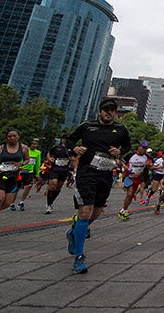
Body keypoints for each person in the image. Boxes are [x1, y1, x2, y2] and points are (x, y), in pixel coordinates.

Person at [65, 98, 131, 274]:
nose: (109, 112)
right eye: (106, 109)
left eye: (112, 110)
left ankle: (74, 233)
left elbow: (127, 146)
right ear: (100, 112)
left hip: (105, 173)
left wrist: (120, 152)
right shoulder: (87, 126)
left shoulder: (121, 129)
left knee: (97, 211)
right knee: (85, 210)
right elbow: (69, 140)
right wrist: (75, 149)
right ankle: (79, 256)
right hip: (87, 172)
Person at [0, 130, 31, 231]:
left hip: (12, 177)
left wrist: (21, 164)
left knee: (8, 202)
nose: (12, 138)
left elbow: (27, 159)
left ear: (18, 137)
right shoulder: (0, 149)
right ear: (6, 138)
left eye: (14, 136)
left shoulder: (24, 148)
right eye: (9, 136)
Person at [118, 141, 151, 220]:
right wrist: (125, 167)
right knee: (129, 193)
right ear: (139, 147)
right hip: (129, 177)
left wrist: (148, 165)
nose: (144, 150)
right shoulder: (131, 155)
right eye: (143, 147)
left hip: (137, 178)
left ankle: (123, 209)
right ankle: (124, 210)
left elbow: (149, 166)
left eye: (145, 148)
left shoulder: (146, 157)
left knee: (132, 195)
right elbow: (121, 161)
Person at [10, 138, 42, 212]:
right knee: (17, 188)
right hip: (21, 171)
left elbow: (38, 163)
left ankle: (21, 202)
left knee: (29, 186)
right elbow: (19, 159)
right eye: (33, 144)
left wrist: (37, 173)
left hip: (30, 171)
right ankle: (12, 203)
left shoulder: (38, 153)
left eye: (36, 144)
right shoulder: (24, 150)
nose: (34, 145)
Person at [45, 134, 74, 214]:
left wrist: (71, 160)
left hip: (64, 169)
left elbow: (75, 158)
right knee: (53, 185)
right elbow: (49, 153)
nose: (66, 140)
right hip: (55, 168)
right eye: (65, 139)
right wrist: (49, 158)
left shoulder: (71, 149)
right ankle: (48, 204)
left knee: (58, 187)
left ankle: (51, 202)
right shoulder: (56, 147)